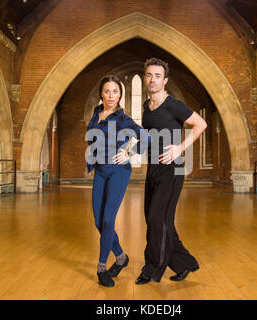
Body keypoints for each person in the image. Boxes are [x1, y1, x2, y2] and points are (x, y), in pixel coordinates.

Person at [135, 58, 207, 285]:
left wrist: (179, 147)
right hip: (153, 168)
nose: (152, 79)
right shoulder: (147, 107)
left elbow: (200, 124)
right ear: (145, 78)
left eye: (157, 76)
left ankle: (151, 269)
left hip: (172, 170)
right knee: (156, 218)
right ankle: (184, 263)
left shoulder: (173, 104)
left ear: (165, 81)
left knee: (158, 218)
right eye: (149, 75)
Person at [86, 75, 149, 288]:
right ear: (101, 94)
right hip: (100, 171)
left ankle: (102, 268)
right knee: (98, 222)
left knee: (107, 221)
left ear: (120, 95)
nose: (111, 95)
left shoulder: (123, 119)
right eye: (107, 91)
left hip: (118, 172)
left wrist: (129, 153)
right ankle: (121, 257)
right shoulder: (96, 114)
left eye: (115, 91)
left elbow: (146, 137)